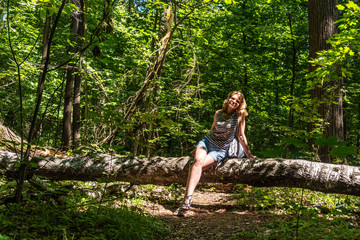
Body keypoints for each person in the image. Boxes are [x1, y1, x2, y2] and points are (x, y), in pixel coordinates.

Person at [174, 90, 256, 216]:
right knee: (198, 162)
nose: (234, 101)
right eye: (232, 98)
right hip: (206, 143)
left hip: (220, 150)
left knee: (195, 167)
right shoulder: (218, 113)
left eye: (237, 101)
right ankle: (187, 202)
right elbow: (212, 130)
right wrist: (198, 148)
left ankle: (184, 204)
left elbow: (241, 135)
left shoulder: (239, 115)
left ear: (240, 104)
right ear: (228, 98)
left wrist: (249, 155)